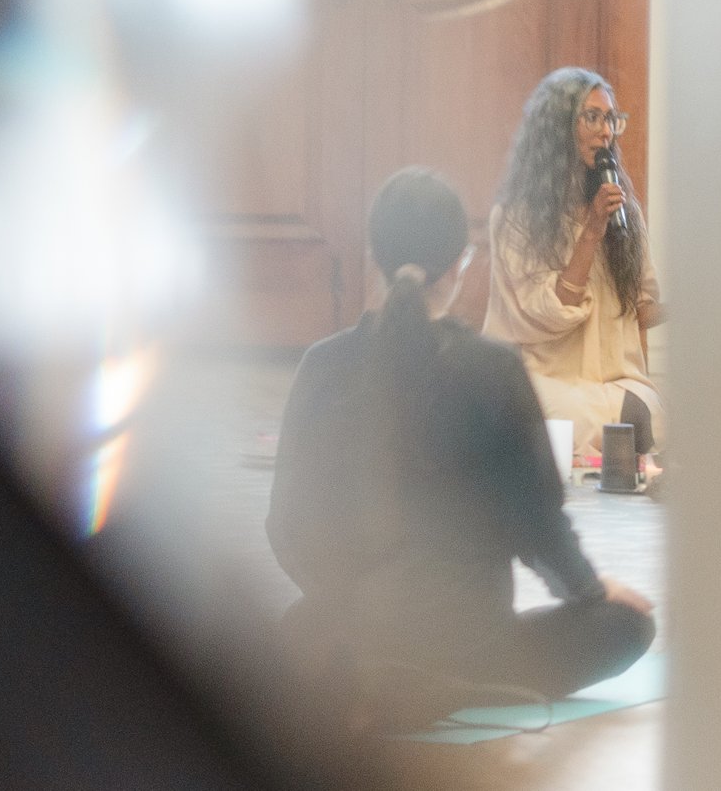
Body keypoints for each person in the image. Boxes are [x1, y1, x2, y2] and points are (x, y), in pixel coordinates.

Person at [266, 167, 654, 728]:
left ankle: (383, 678)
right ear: (460, 263)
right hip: (474, 646)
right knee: (629, 627)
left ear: (374, 257)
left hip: (354, 641)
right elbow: (540, 527)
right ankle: (446, 684)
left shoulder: (321, 365)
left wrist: (344, 605)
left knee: (297, 630)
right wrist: (592, 592)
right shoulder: (493, 369)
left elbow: (285, 527)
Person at [481, 68, 666, 470]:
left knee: (644, 409)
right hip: (547, 380)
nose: (606, 132)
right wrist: (591, 232)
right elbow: (545, 315)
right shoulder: (515, 219)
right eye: (592, 117)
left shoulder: (625, 215)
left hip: (616, 385)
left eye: (611, 119)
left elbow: (641, 308)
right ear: (557, 127)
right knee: (564, 418)